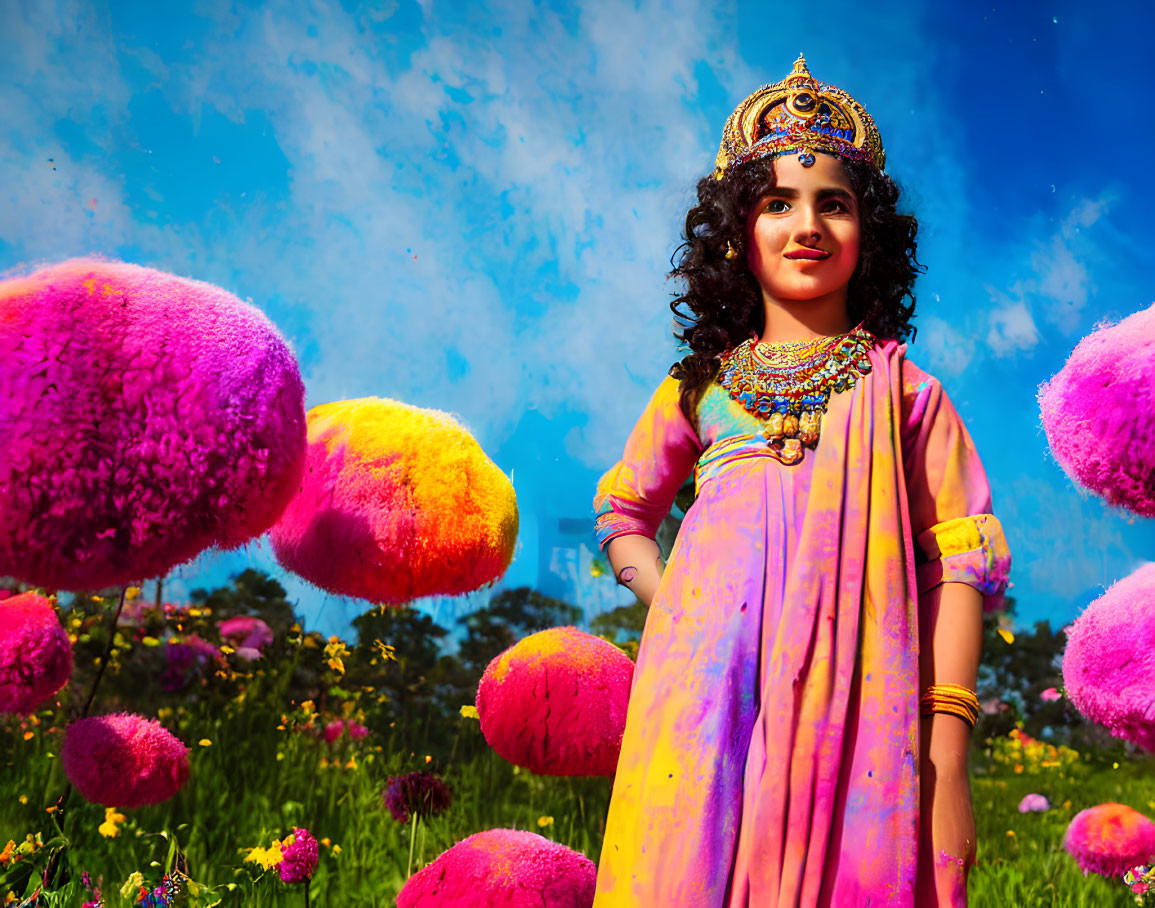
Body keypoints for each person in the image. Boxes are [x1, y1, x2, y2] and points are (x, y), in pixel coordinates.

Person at [590, 55, 1011, 908]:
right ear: (735, 232)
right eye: (776, 202)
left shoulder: (905, 393)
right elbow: (622, 510)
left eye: (834, 203)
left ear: (871, 233)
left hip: (860, 706)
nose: (805, 224)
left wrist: (946, 754)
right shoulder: (700, 387)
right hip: (698, 695)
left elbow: (960, 561)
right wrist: (672, 603)